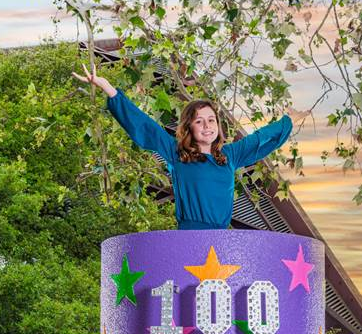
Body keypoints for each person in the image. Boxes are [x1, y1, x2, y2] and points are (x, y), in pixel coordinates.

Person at [72, 63, 293, 230]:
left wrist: (287, 121)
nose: (207, 126)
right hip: (189, 237)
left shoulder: (230, 155)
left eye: (211, 120)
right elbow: (145, 126)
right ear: (189, 127)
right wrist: (108, 88)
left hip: (221, 240)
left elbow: (260, 138)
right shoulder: (177, 153)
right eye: (199, 121)